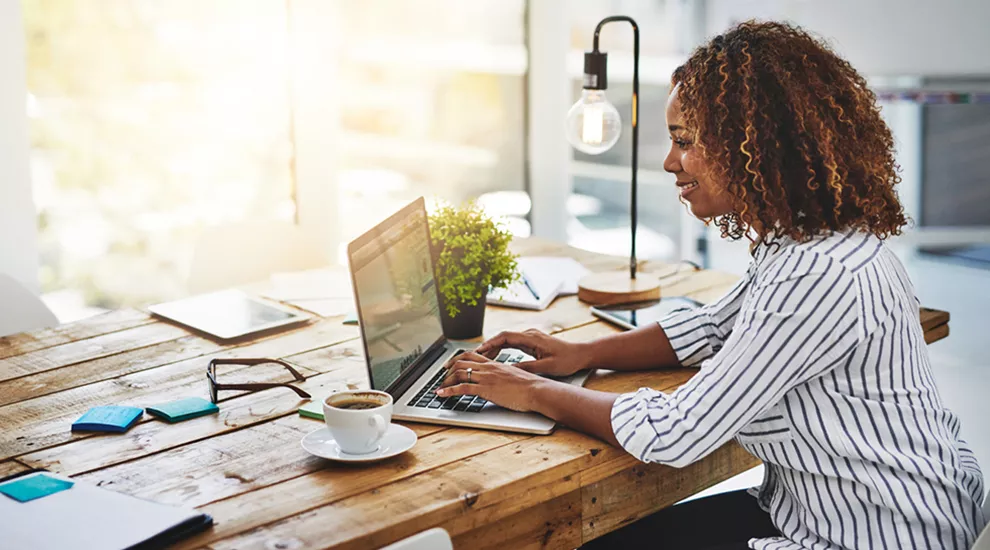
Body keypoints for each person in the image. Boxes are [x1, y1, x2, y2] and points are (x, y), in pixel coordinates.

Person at [437, 20, 987, 550]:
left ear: (755, 145)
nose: (669, 161)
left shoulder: (817, 273)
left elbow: (679, 432)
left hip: (874, 534)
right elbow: (710, 327)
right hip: (829, 507)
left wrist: (529, 391)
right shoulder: (807, 241)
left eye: (685, 140)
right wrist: (579, 353)